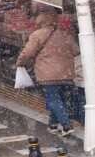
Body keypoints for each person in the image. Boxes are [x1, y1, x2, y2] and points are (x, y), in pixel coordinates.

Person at [15, 8, 80, 136]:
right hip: (66, 73)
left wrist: (20, 62)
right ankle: (53, 124)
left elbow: (28, 52)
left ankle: (67, 126)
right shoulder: (65, 34)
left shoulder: (37, 35)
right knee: (59, 99)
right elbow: (76, 51)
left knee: (54, 99)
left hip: (47, 74)